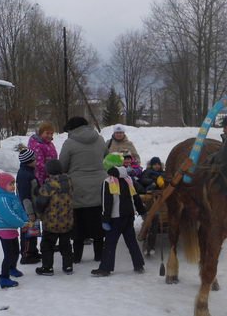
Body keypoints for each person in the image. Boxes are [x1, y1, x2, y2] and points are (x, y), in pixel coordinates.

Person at [59, 116, 107, 264]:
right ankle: (99, 254)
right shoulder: (100, 140)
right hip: (100, 186)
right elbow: (106, 159)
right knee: (98, 221)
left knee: (78, 223)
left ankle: (77, 256)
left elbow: (62, 166)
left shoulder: (69, 143)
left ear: (72, 128)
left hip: (77, 187)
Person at [91, 155, 147, 277]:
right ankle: (139, 264)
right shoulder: (128, 179)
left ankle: (105, 268)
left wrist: (105, 219)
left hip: (115, 218)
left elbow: (107, 203)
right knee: (131, 241)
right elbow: (135, 196)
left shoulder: (108, 182)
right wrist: (142, 211)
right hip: (129, 216)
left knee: (110, 243)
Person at [0, 172, 32, 289]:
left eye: (14, 183)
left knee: (15, 251)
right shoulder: (3, 200)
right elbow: (10, 215)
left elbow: (20, 211)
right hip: (5, 230)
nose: (13, 186)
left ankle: (12, 268)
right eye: (10, 184)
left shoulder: (12, 197)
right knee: (8, 255)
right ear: (3, 186)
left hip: (12, 230)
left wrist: (26, 220)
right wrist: (22, 223)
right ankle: (4, 278)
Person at [34, 160, 74, 276]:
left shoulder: (48, 186)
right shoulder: (69, 182)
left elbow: (41, 203)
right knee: (65, 244)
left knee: (47, 246)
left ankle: (47, 268)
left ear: (48, 171)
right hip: (67, 220)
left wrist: (39, 213)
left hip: (51, 222)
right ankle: (68, 266)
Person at [16, 146, 42, 264]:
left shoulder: (28, 172)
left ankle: (33, 252)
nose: (36, 161)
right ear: (29, 161)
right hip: (27, 211)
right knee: (27, 233)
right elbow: (25, 197)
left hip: (33, 209)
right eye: (34, 159)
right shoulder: (24, 176)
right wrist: (30, 213)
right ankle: (26, 255)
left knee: (33, 231)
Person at [28, 121, 58, 188]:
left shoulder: (49, 143)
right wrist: (51, 171)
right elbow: (38, 164)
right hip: (41, 178)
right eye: (47, 133)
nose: (50, 136)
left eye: (51, 133)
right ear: (41, 133)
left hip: (50, 177)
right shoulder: (36, 145)